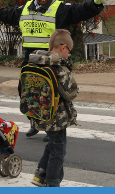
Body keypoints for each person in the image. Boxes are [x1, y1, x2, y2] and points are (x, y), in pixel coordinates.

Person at [0, 0, 108, 140]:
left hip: (50, 59)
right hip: (31, 58)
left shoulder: (59, 8)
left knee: (51, 94)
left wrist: (94, 3)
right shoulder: (25, 8)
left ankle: (52, 129)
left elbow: (79, 10)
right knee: (25, 91)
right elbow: (7, 14)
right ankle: (35, 123)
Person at [29, 29, 79, 187]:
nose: (68, 55)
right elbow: (71, 93)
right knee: (59, 151)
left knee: (52, 144)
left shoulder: (35, 63)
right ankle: (52, 182)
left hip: (39, 112)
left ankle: (40, 174)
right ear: (63, 48)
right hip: (57, 117)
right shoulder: (58, 68)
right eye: (69, 52)